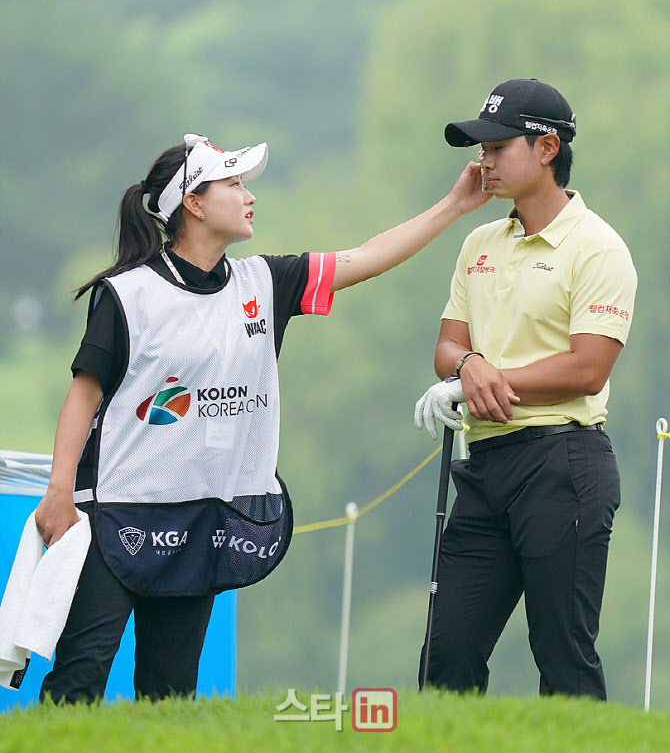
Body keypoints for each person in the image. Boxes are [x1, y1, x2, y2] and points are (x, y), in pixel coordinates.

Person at [35, 132, 490, 704]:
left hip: (202, 517)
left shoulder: (265, 283)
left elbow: (366, 257)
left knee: (170, 695)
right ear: (193, 203)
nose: (248, 195)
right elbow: (84, 395)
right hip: (113, 513)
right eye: (233, 184)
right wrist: (58, 491)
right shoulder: (127, 295)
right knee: (78, 681)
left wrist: (455, 206)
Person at [414, 79, 637, 700]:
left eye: (496, 146)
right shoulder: (479, 242)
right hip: (486, 467)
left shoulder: (598, 247)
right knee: (447, 654)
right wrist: (468, 367)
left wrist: (483, 374)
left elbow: (588, 368)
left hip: (563, 465)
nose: (482, 160)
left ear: (546, 148)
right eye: (479, 148)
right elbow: (447, 349)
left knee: (562, 655)